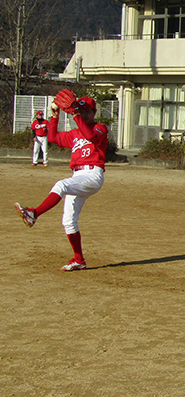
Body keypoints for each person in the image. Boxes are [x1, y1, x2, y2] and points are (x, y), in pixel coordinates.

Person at [14, 97, 108, 271]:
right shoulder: (73, 134)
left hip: (93, 173)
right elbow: (52, 137)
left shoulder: (100, 128)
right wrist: (55, 116)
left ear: (94, 113)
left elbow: (90, 136)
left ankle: (34, 213)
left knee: (61, 185)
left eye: (88, 111)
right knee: (68, 221)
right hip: (78, 175)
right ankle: (79, 260)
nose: (85, 114)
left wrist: (75, 116)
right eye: (81, 112)